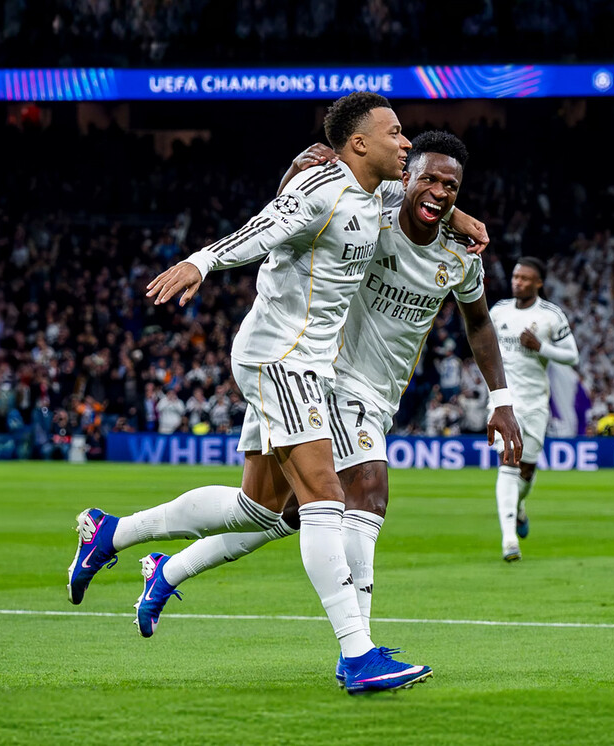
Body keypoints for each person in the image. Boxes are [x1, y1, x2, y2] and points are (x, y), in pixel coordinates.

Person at [66, 93, 489, 694]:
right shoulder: (322, 188)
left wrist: (458, 216)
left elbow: (425, 197)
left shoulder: (380, 193)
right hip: (282, 359)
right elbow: (265, 227)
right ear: (359, 143)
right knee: (325, 496)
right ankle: (357, 653)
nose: (405, 142)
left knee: (259, 509)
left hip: (305, 366)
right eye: (395, 133)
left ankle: (113, 533)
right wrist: (201, 261)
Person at [489, 256, 580, 562]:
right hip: (504, 401)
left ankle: (519, 507)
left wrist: (541, 347)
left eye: (526, 278)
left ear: (538, 283)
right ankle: (509, 540)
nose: (519, 282)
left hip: (536, 402)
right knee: (508, 462)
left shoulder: (551, 316)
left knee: (525, 470)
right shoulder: (498, 311)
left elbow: (572, 357)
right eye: (516, 276)